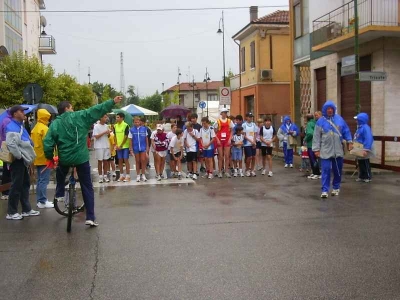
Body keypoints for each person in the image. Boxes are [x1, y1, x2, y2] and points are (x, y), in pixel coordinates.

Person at [44, 96, 123, 226]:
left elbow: (48, 143)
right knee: (87, 186)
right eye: (71, 107)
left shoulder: (55, 124)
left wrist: (50, 158)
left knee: (60, 172)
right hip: (81, 158)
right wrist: (112, 102)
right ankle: (90, 217)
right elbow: (97, 109)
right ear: (67, 108)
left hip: (65, 158)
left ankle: (59, 193)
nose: (73, 109)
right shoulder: (80, 116)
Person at [312, 100, 353, 199]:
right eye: (328, 109)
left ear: (334, 109)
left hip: (338, 150)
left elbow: (346, 131)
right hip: (325, 150)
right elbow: (316, 136)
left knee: (337, 170)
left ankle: (336, 187)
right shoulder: (320, 121)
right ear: (325, 110)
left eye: (331, 109)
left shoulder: (339, 119)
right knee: (325, 170)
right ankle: (325, 190)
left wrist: (349, 141)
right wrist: (316, 149)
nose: (330, 110)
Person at [5, 105, 39, 220]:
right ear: (15, 114)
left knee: (25, 184)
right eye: (21, 111)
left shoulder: (20, 125)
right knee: (16, 185)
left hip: (23, 159)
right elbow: (11, 144)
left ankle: (26, 209)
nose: (24, 113)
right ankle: (11, 212)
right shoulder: (12, 127)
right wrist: (19, 156)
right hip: (18, 160)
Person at [31, 108, 54, 208]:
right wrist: (51, 157)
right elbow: (48, 144)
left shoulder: (35, 128)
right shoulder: (44, 129)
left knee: (40, 180)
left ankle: (40, 200)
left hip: (37, 157)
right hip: (45, 158)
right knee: (44, 180)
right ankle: (42, 201)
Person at [353, 112, 374, 183]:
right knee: (360, 162)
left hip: (363, 148)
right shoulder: (360, 127)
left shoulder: (365, 128)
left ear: (361, 120)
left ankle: (368, 176)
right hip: (359, 148)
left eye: (357, 120)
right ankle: (361, 176)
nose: (356, 121)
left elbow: (368, 138)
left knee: (365, 162)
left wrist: (366, 149)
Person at [214, 108, 234, 178]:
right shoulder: (218, 121)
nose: (225, 114)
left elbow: (232, 131)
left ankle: (226, 171)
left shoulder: (229, 121)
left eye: (226, 112)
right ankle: (219, 171)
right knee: (220, 156)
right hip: (220, 140)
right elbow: (214, 131)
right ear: (221, 113)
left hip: (227, 140)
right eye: (223, 112)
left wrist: (230, 139)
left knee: (227, 156)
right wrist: (217, 140)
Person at [129, 117, 149, 182]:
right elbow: (130, 140)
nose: (137, 123)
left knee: (143, 160)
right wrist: (131, 149)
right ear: (133, 122)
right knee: (137, 161)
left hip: (143, 147)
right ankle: (138, 175)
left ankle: (143, 174)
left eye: (138, 122)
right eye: (135, 122)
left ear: (140, 122)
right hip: (136, 147)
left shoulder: (144, 129)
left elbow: (146, 138)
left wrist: (147, 146)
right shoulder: (131, 130)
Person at [93, 115, 112, 183]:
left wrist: (109, 133)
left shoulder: (106, 126)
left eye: (106, 117)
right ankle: (100, 177)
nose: (106, 118)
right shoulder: (96, 126)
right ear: (101, 118)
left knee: (106, 162)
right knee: (100, 161)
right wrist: (104, 132)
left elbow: (108, 136)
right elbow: (96, 136)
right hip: (99, 146)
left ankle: (105, 176)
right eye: (104, 117)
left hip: (106, 145)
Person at [114, 112, 131, 182]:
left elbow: (126, 136)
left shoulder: (126, 125)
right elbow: (115, 136)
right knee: (120, 161)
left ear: (122, 118)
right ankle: (121, 176)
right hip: (118, 147)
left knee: (126, 160)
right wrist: (116, 145)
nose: (116, 118)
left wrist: (121, 145)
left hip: (125, 146)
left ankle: (128, 176)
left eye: (118, 117)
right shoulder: (115, 126)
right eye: (116, 117)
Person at [0, 109, 12, 200]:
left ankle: (5, 191)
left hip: (5, 147)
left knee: (7, 170)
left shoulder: (5, 120)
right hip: (8, 148)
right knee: (7, 170)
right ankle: (6, 192)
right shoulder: (8, 121)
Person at [305, 113, 320, 180]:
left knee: (312, 159)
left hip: (311, 144)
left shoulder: (309, 124)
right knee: (315, 159)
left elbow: (310, 133)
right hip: (316, 143)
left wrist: (305, 139)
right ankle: (315, 172)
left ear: (307, 118)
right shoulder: (315, 123)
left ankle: (316, 173)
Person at [242, 112, 258, 177]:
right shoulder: (244, 125)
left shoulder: (254, 124)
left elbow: (255, 134)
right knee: (249, 157)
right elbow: (244, 135)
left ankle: (252, 169)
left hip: (253, 143)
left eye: (251, 117)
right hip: (247, 143)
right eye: (249, 117)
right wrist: (250, 141)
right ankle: (247, 169)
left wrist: (254, 141)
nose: (250, 118)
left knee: (254, 157)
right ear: (246, 117)